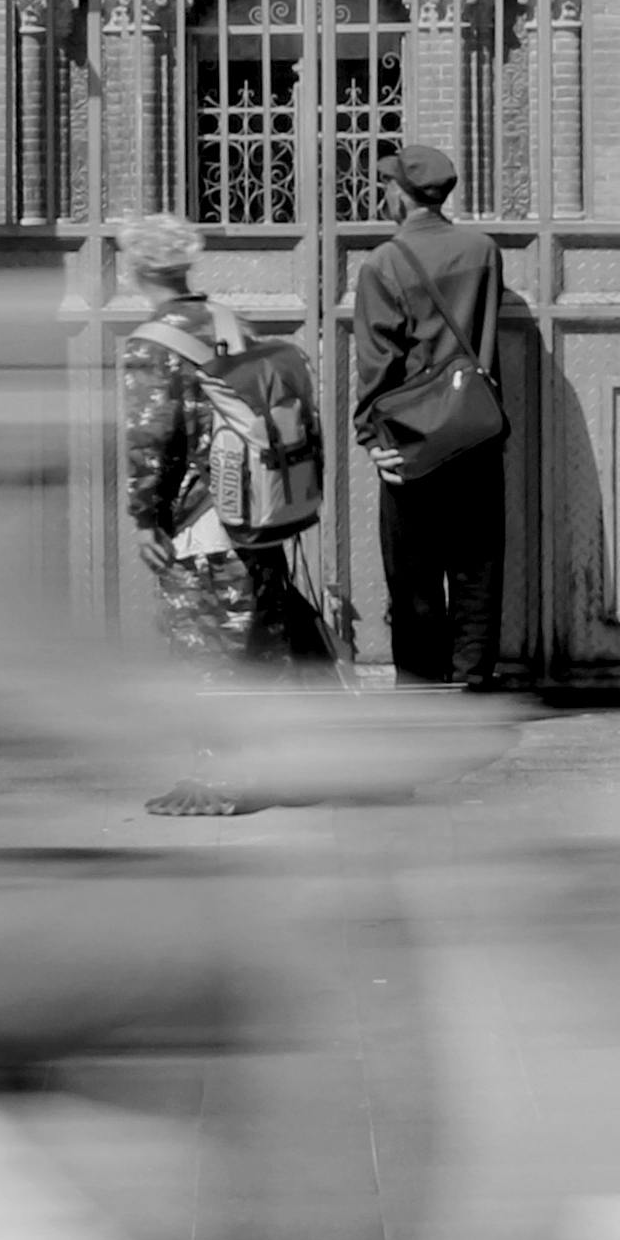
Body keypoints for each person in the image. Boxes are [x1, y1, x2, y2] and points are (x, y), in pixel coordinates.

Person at [113, 213, 332, 812]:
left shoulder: (151, 345)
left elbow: (150, 440)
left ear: (136, 270)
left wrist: (145, 518)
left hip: (199, 525)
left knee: (205, 652)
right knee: (261, 645)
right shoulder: (232, 323)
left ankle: (219, 781)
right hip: (256, 513)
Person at [345, 143, 507, 692]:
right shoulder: (484, 250)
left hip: (413, 442)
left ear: (399, 193)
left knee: (413, 575)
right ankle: (472, 684)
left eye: (387, 184)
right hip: (477, 431)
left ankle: (420, 693)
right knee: (477, 569)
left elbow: (376, 362)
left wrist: (372, 438)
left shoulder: (384, 263)